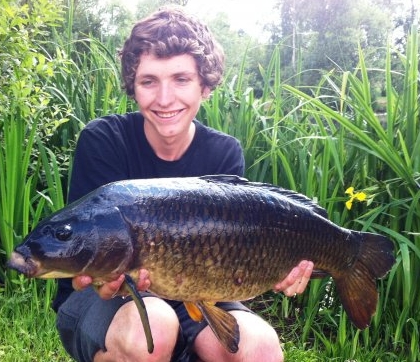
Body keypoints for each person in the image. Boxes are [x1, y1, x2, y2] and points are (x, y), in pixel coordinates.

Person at [53, 7, 314, 362]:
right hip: (110, 298)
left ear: (204, 86)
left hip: (198, 293)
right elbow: (86, 250)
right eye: (149, 81)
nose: (164, 98)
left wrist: (275, 268)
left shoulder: (224, 152)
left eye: (181, 79)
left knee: (260, 349)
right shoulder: (103, 141)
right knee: (153, 332)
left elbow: (232, 269)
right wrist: (101, 277)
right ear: (133, 86)